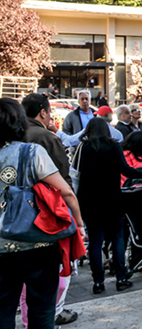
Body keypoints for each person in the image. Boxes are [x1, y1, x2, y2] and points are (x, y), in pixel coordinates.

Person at [0, 98, 85, 329]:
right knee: (42, 311)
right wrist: (78, 224)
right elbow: (66, 192)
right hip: (37, 242)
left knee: (3, 311)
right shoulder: (32, 152)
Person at [20, 94, 79, 325]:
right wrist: (77, 219)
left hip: (15, 218)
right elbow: (64, 181)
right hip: (47, 212)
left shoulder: (15, 136)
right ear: (43, 112)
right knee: (51, 275)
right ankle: (52, 312)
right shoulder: (44, 137)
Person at [76, 118, 142, 294]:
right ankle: (121, 278)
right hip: (112, 199)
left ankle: (98, 282)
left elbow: (79, 173)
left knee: (95, 241)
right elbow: (125, 169)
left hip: (90, 201)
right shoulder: (114, 146)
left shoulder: (84, 147)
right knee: (117, 237)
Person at [57, 106, 123, 147]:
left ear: (99, 117)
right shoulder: (118, 135)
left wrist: (56, 131)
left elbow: (69, 141)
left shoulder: (89, 131)